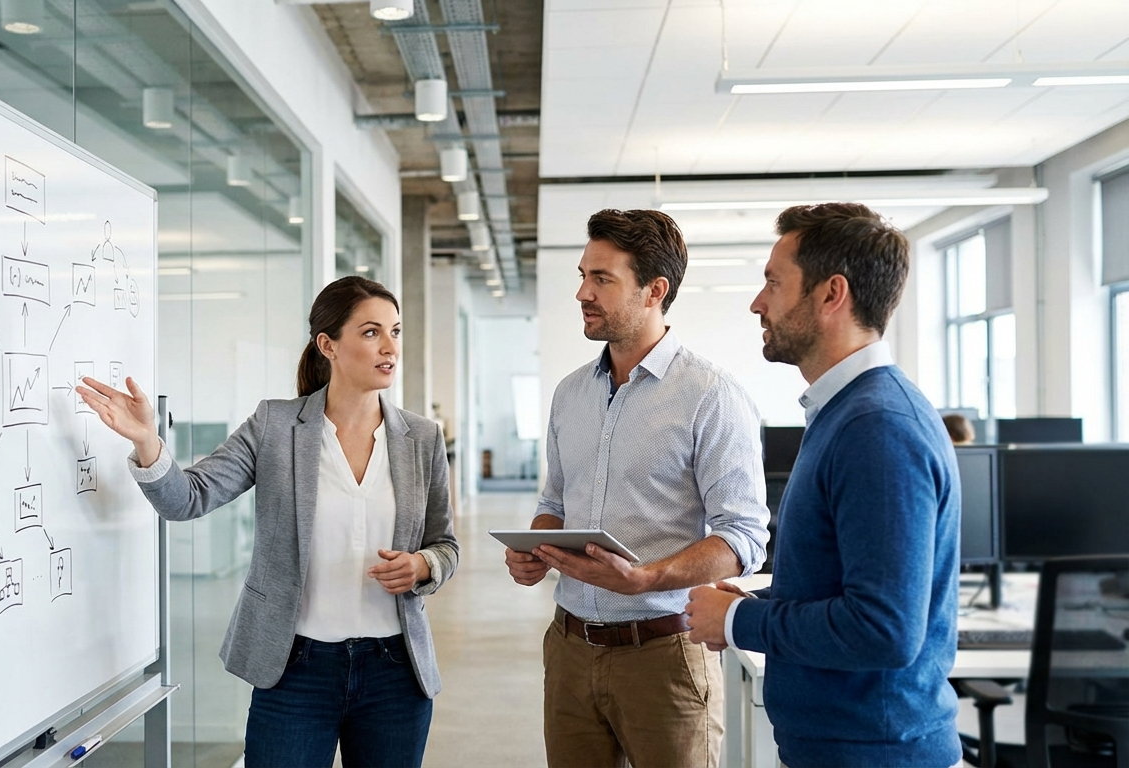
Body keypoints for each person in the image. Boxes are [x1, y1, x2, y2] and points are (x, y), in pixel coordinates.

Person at [77, 276, 459, 768]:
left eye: (396, 331)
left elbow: (444, 544)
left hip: (395, 672)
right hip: (295, 668)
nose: (390, 347)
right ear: (329, 345)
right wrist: (148, 443)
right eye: (370, 332)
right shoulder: (276, 426)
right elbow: (187, 499)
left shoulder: (421, 439)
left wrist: (423, 565)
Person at [685, 203, 962, 768]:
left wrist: (739, 621)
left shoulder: (878, 427)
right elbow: (843, 584)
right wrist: (760, 598)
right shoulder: (846, 414)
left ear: (831, 295)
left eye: (773, 283)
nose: (757, 302)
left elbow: (882, 629)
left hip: (875, 753)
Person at [503, 209, 770, 768]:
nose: (582, 292)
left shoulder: (711, 396)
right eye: (583, 275)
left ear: (655, 290)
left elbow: (743, 538)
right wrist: (536, 548)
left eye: (602, 279)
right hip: (570, 650)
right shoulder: (570, 394)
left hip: (665, 656)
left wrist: (645, 577)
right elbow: (553, 505)